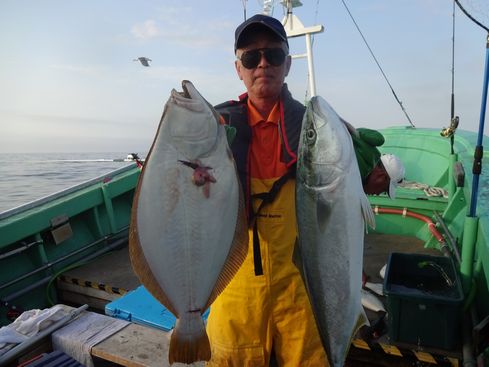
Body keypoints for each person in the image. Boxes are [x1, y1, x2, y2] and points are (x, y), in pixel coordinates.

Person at [206, 14, 328, 366]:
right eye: (250, 57)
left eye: (273, 55)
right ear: (238, 68)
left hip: (301, 284)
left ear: (287, 64)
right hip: (235, 283)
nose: (262, 64)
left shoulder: (314, 127)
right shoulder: (214, 128)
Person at [350, 127, 405, 198]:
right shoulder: (356, 176)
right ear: (381, 176)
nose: (378, 193)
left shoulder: (364, 154)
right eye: (383, 189)